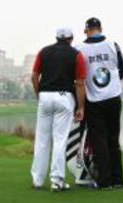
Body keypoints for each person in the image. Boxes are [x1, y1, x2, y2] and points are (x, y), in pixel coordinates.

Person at [30, 28, 86, 192]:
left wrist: (39, 95)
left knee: (41, 140)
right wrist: (81, 106)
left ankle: (38, 181)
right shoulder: (76, 55)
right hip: (64, 98)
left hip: (45, 96)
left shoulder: (43, 52)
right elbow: (80, 83)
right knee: (60, 140)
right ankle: (56, 181)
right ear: (71, 38)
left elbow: (34, 76)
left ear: (56, 37)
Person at [76, 17, 123, 189]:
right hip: (114, 97)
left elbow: (79, 77)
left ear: (86, 30)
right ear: (101, 28)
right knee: (113, 139)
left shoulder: (79, 49)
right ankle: (118, 179)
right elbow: (121, 70)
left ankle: (104, 181)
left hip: (94, 100)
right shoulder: (113, 45)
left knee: (99, 141)